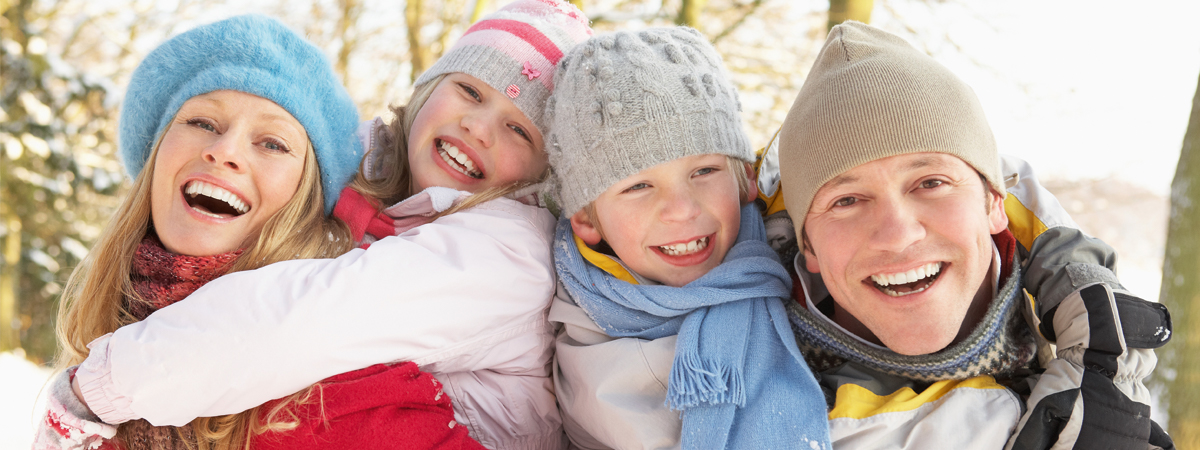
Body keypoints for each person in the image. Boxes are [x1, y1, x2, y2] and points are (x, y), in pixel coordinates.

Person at [61, 2, 592, 450]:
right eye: (470, 92)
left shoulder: (509, 253)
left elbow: (302, 321)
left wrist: (102, 387)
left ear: (544, 173)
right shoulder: (365, 185)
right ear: (427, 89)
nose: (478, 126)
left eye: (518, 129)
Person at [773, 21, 1173, 449]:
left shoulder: (1112, 411)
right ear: (808, 245)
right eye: (847, 200)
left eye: (931, 183)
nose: (898, 234)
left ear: (994, 202)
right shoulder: (740, 418)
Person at [545, 28, 832, 450]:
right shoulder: (594, 351)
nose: (681, 209)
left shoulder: (805, 250)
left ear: (745, 178)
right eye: (638, 186)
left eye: (704, 171)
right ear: (586, 219)